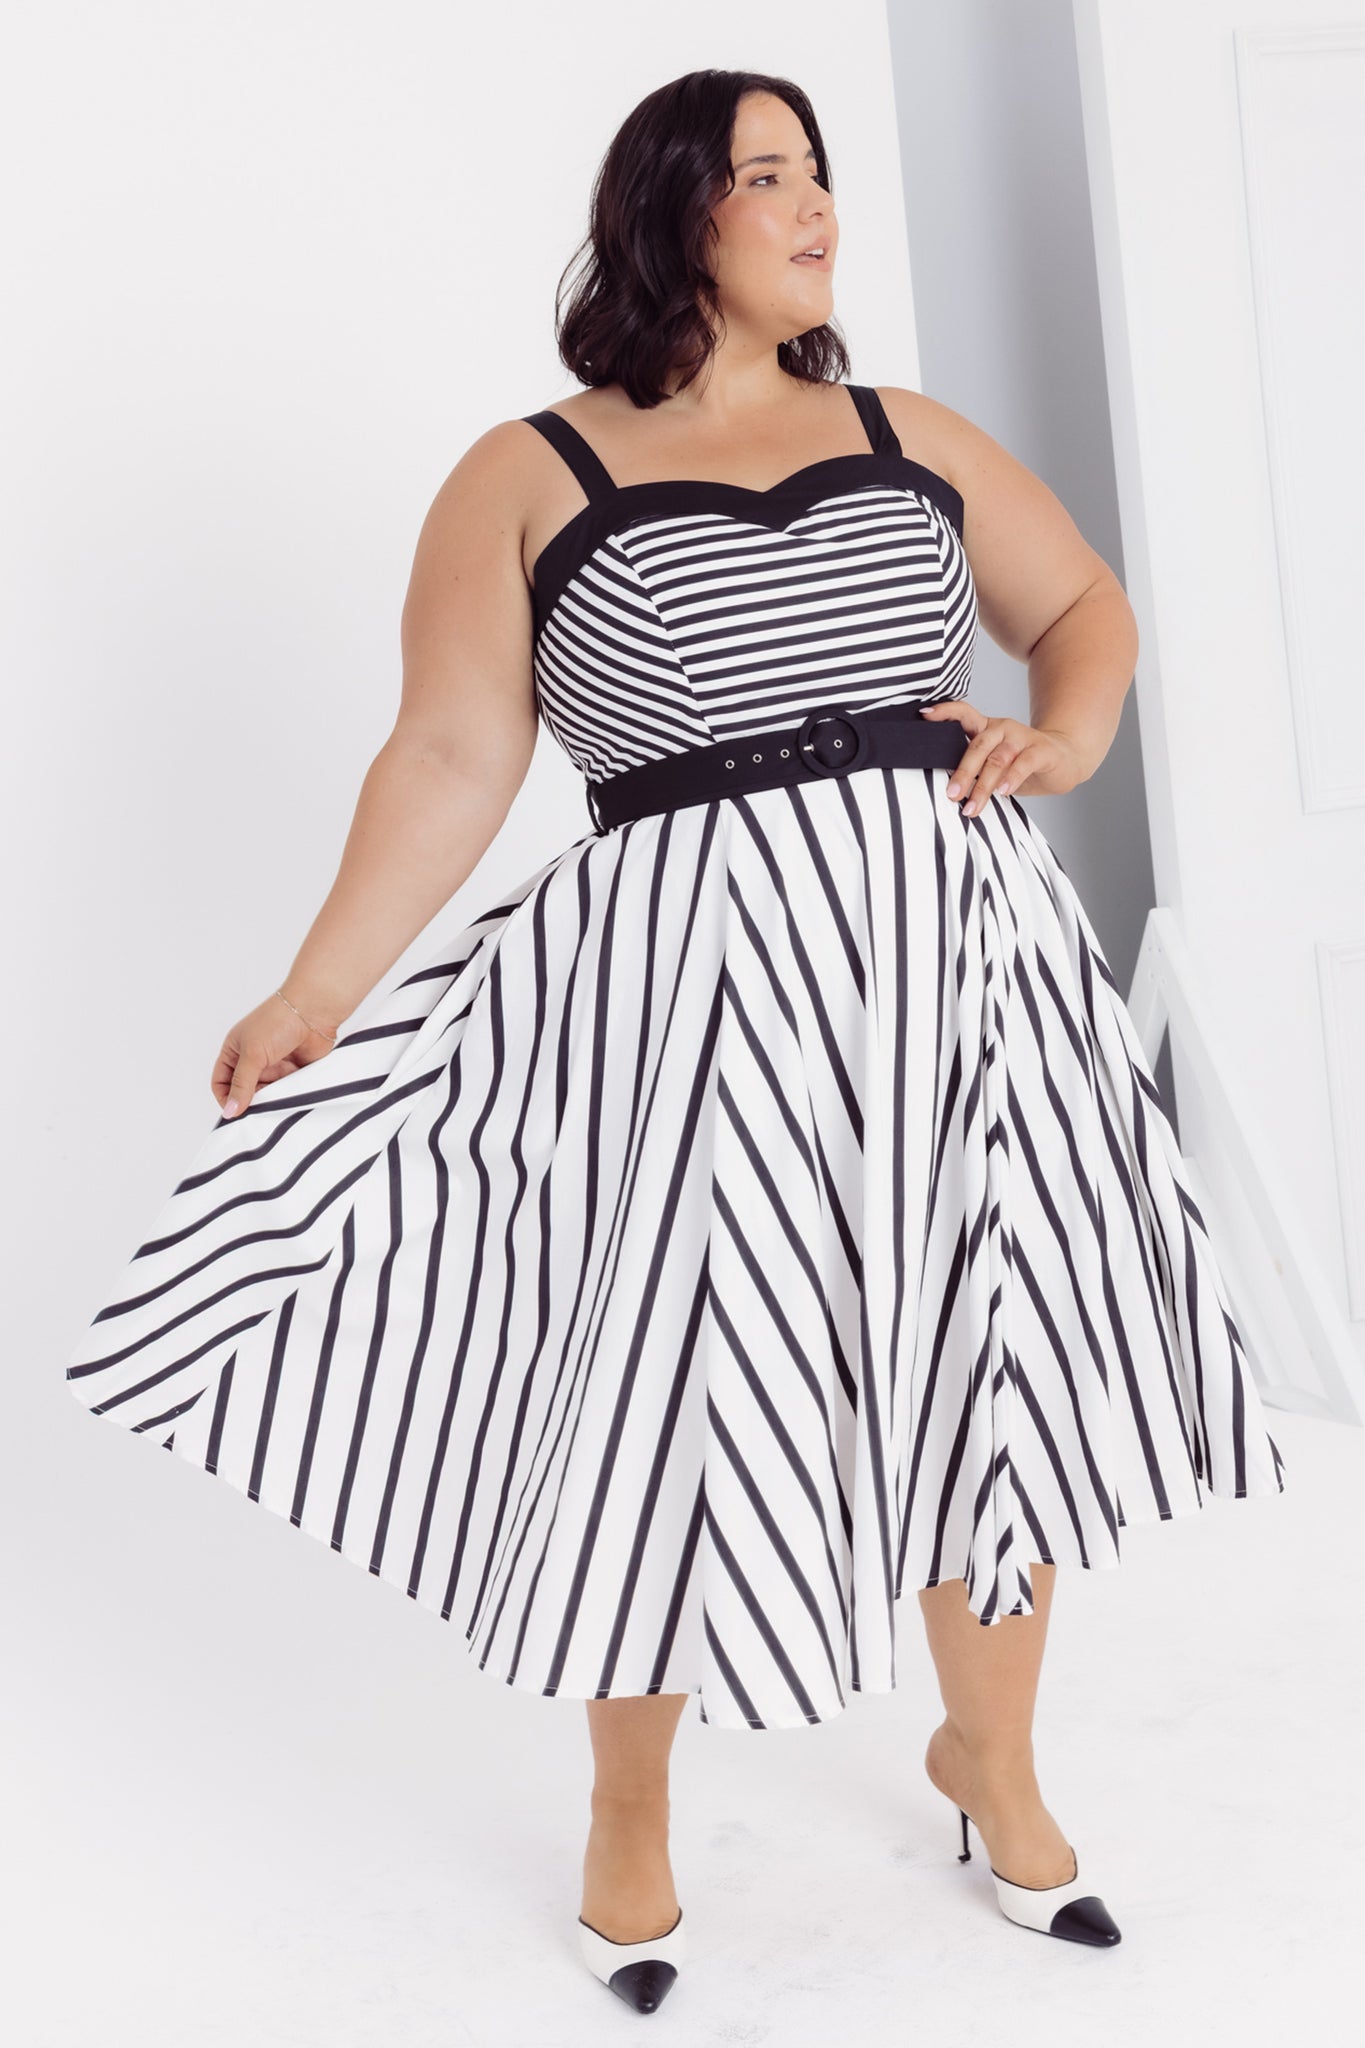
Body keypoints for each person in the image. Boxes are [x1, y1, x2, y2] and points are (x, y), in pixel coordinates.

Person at [66, 68, 1285, 2016]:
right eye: (765, 179)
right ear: (668, 217)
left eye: (821, 175)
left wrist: (1066, 731)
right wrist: (316, 988)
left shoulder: (906, 430)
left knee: (988, 1351)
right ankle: (624, 1806)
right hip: (686, 996)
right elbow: (455, 749)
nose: (813, 208)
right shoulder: (526, 471)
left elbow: (1079, 611)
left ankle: (992, 1761)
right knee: (654, 1381)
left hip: (945, 956)